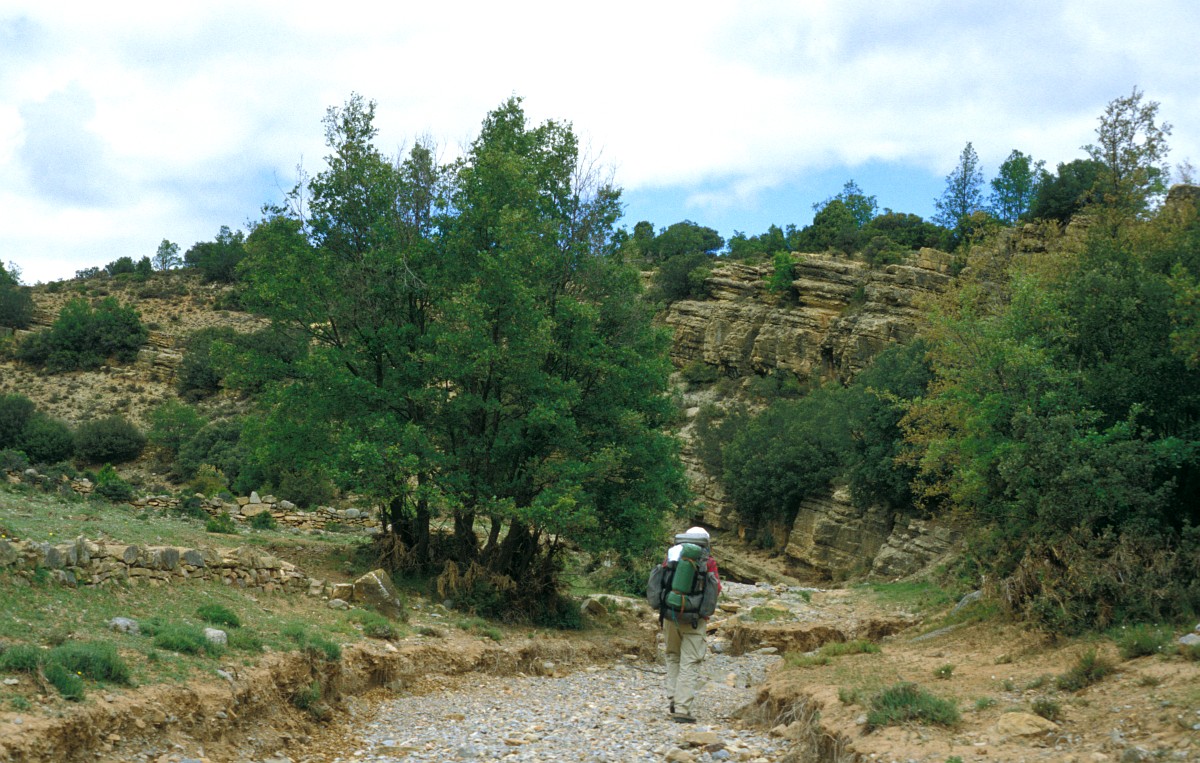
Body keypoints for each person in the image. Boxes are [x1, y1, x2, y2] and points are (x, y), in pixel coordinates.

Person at [656, 526, 720, 723]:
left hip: (670, 616)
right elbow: (716, 588)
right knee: (689, 662)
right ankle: (682, 709)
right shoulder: (708, 562)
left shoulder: (672, 556)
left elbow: (661, 583)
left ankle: (673, 698)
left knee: (672, 656)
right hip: (694, 620)